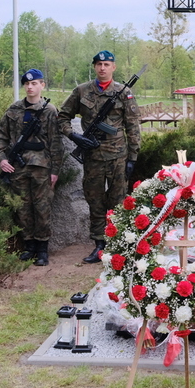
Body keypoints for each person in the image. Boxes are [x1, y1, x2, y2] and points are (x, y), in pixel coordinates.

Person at [59, 51, 141, 263]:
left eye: (106, 64)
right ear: (94, 67)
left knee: (118, 202)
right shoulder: (81, 91)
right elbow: (63, 117)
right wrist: (75, 136)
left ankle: (118, 245)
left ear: (113, 67)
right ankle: (99, 245)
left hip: (118, 157)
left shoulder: (124, 92)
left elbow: (133, 126)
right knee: (95, 201)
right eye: (99, 64)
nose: (102, 68)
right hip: (93, 156)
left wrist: (132, 157)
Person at [0, 68, 64, 267]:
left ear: (42, 85)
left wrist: (55, 170)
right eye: (27, 84)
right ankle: (28, 247)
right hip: (17, 168)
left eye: (34, 83)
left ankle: (42, 249)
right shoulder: (13, 110)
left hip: (42, 168)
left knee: (42, 208)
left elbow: (56, 143)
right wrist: (2, 159)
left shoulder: (49, 111)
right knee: (22, 208)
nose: (30, 87)